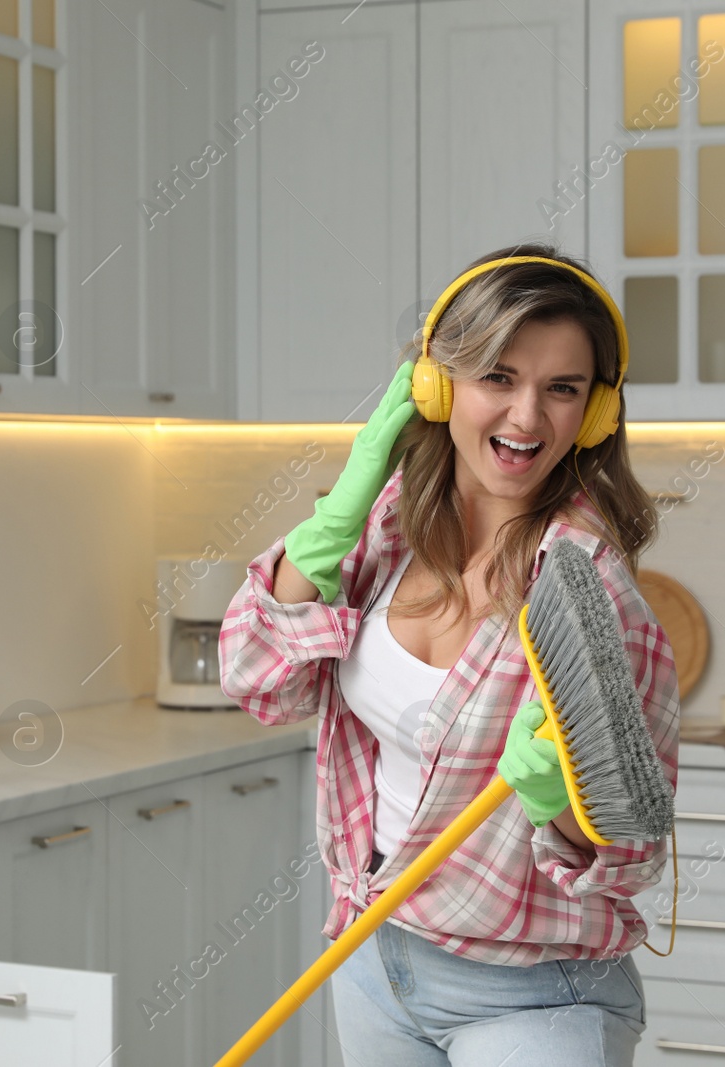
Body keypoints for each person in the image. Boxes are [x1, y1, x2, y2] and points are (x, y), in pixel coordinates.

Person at [219, 243, 680, 1066]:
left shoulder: (586, 587)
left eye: (562, 389)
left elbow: (631, 848)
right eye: (498, 377)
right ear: (437, 386)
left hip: (532, 994)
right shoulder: (386, 527)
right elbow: (256, 676)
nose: (527, 418)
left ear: (596, 414)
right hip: (370, 957)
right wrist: (329, 526)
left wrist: (561, 796)